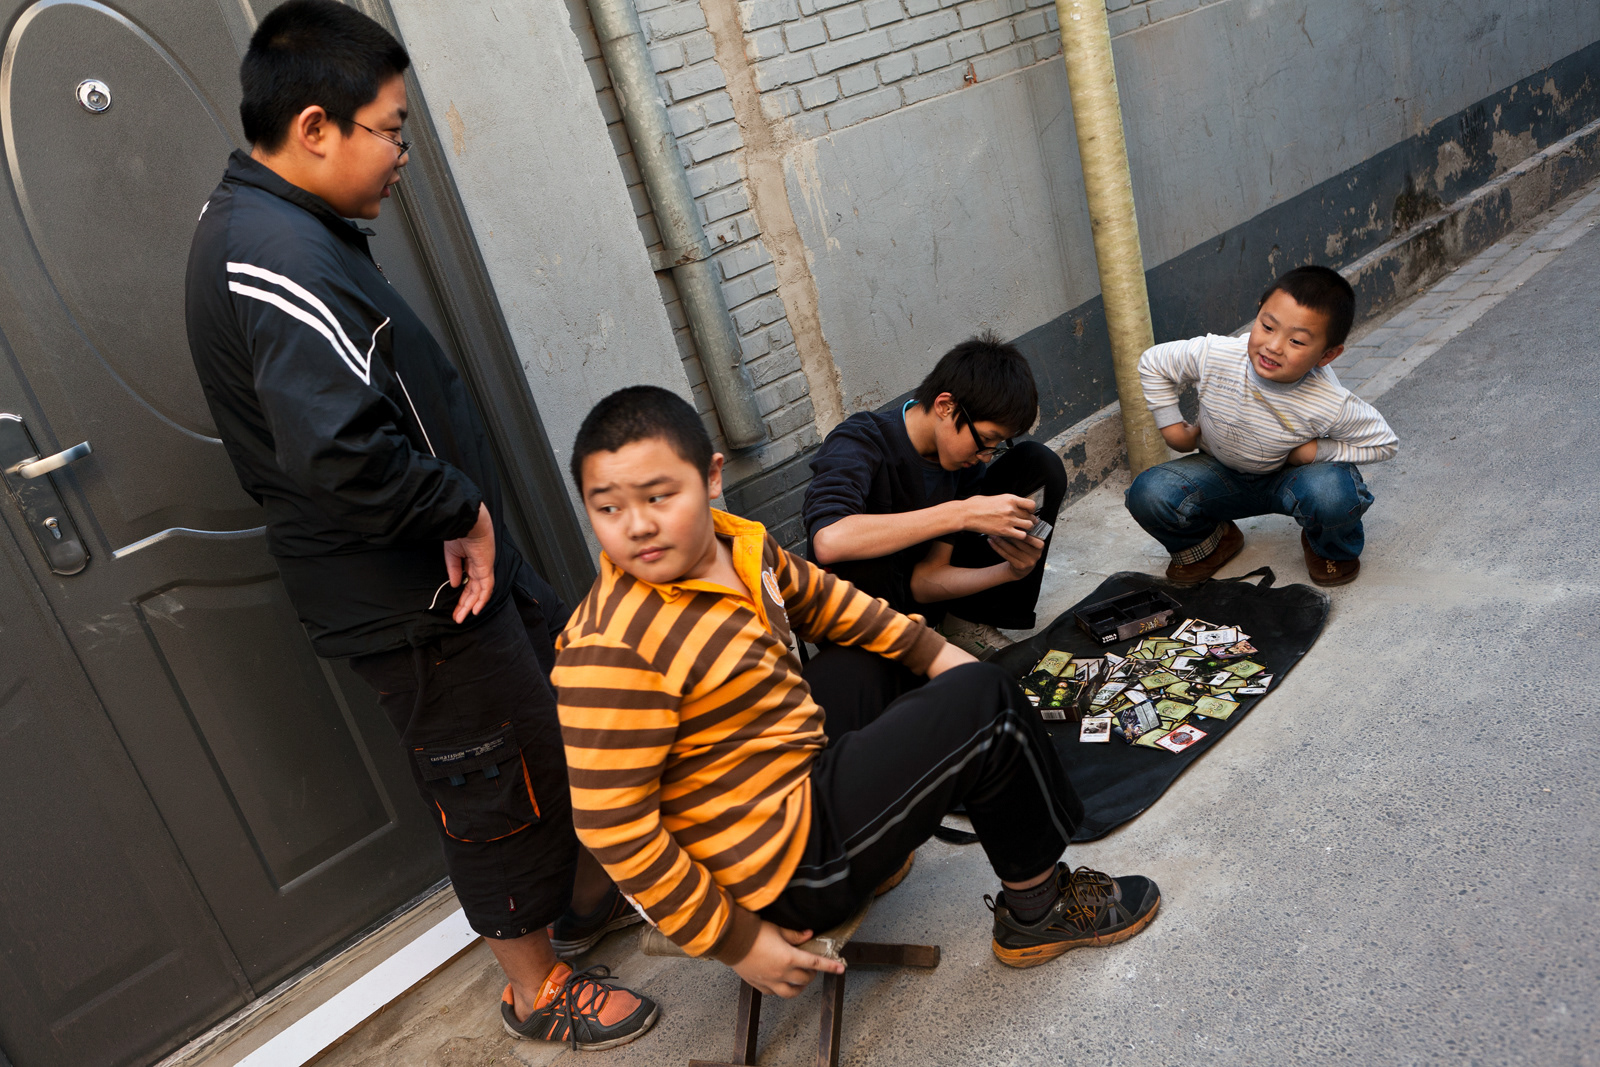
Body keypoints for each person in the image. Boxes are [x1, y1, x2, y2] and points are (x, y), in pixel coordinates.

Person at [183, 1, 654, 1049]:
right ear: (315, 127)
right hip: (414, 594)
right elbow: (338, 451)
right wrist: (461, 504)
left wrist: (471, 514)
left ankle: (581, 902)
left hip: (452, 569)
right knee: (488, 778)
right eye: (392, 131)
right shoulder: (275, 254)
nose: (404, 155)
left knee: (553, 728)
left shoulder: (284, 227)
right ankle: (535, 988)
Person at [551, 385, 1160, 1000]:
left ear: (711, 478)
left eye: (659, 496)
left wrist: (932, 650)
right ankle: (1038, 909)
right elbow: (613, 827)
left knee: (883, 658)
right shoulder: (609, 647)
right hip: (772, 871)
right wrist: (737, 941)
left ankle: (879, 842)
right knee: (987, 701)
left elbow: (824, 600)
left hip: (788, 781)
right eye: (609, 508)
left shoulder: (736, 545)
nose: (639, 526)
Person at [1125, 266, 1399, 587]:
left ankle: (1327, 547)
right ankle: (1212, 543)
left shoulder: (1328, 400)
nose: (1274, 346)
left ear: (1327, 355)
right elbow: (1154, 362)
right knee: (1149, 493)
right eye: (1268, 327)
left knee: (1332, 493)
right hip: (1220, 472)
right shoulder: (1216, 354)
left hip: (1291, 477)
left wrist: (1315, 451)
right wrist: (1173, 429)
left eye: (1296, 341)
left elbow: (1383, 443)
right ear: (1258, 313)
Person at [801, 334, 1067, 663]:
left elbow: (925, 581)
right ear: (945, 406)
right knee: (869, 550)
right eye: (985, 440)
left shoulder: (964, 465)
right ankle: (894, 663)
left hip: (914, 599)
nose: (986, 456)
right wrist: (961, 513)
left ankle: (962, 624)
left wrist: (1011, 572)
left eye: (995, 446)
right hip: (858, 615)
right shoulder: (859, 441)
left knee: (1038, 463)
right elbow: (829, 540)